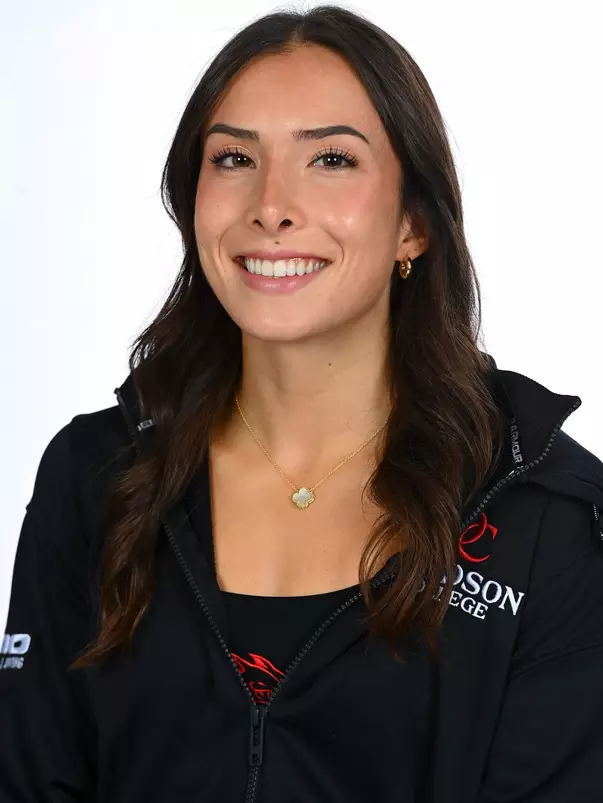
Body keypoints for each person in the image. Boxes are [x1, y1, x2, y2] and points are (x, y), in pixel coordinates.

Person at [2, 5, 603, 802]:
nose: (270, 204)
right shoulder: (94, 476)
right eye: (231, 158)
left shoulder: (545, 515)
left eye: (329, 158)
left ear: (413, 225)